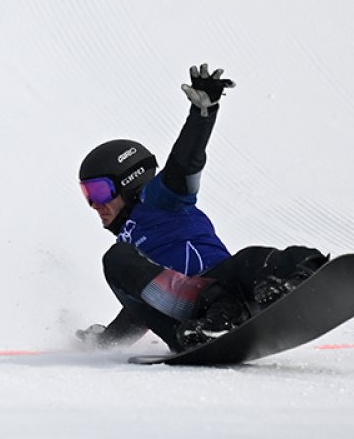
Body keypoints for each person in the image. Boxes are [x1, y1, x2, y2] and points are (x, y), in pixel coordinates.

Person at [75, 64, 329, 352]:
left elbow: (184, 165)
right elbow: (137, 312)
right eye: (87, 194)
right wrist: (104, 342)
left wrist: (202, 115)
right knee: (117, 262)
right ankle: (214, 321)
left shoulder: (157, 199)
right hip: (192, 317)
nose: (95, 204)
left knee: (249, 259)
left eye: (99, 190)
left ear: (130, 181)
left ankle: (305, 274)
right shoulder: (129, 252)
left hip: (231, 283)